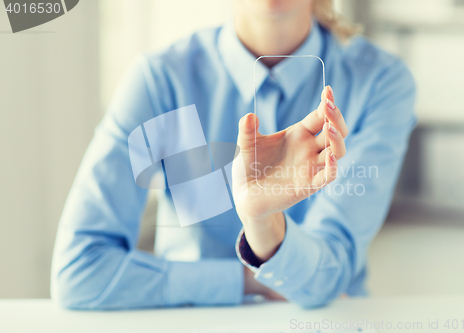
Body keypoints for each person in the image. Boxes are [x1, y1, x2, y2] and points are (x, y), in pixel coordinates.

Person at [51, 0, 416, 309]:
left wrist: (263, 222)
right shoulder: (161, 81)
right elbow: (79, 272)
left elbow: (327, 276)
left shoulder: (379, 82)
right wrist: (248, 280)